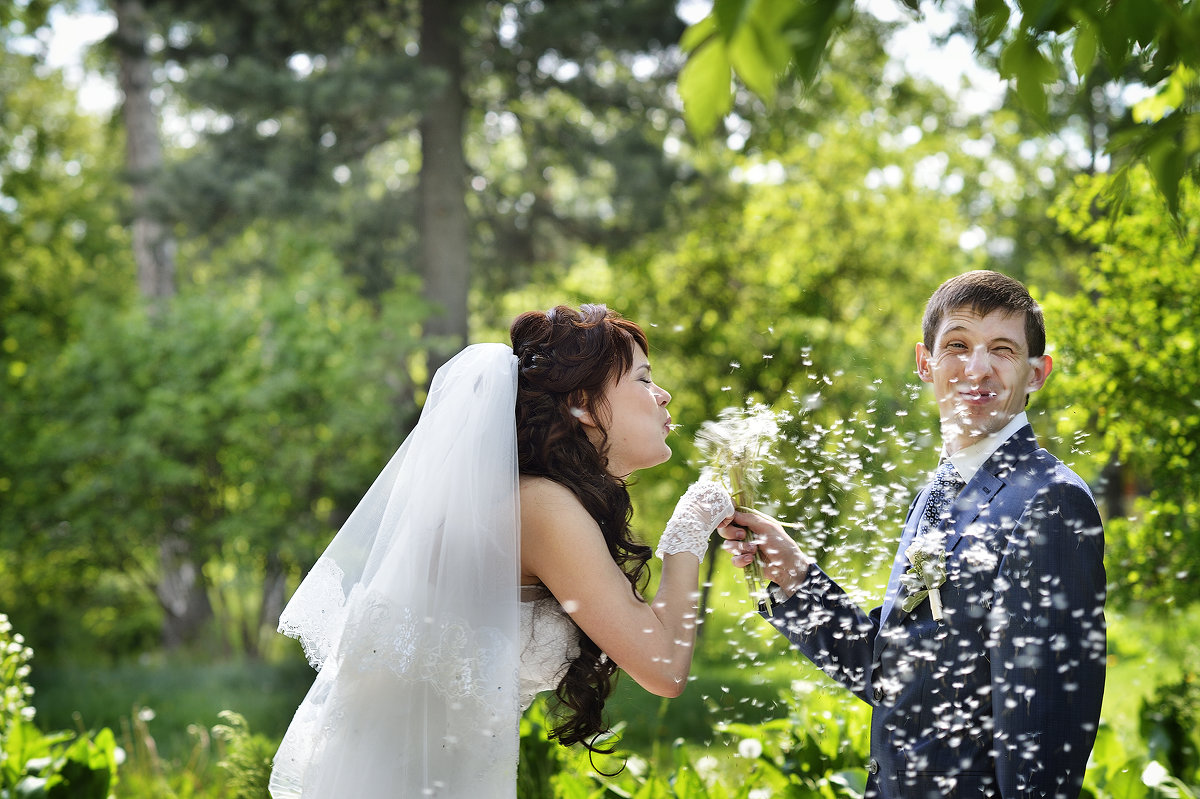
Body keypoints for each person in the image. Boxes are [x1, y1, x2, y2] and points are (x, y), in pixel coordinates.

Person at [268, 304, 734, 799]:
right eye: (642, 380)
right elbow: (662, 666)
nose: (663, 395)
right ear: (583, 402)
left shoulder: (524, 500)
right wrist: (687, 532)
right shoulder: (540, 508)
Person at [720, 270, 1106, 798]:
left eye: (1002, 349)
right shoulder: (936, 495)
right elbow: (891, 674)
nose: (977, 367)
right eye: (957, 345)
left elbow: (1045, 737)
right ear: (926, 364)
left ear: (1037, 373)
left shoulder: (1050, 502)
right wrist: (794, 575)